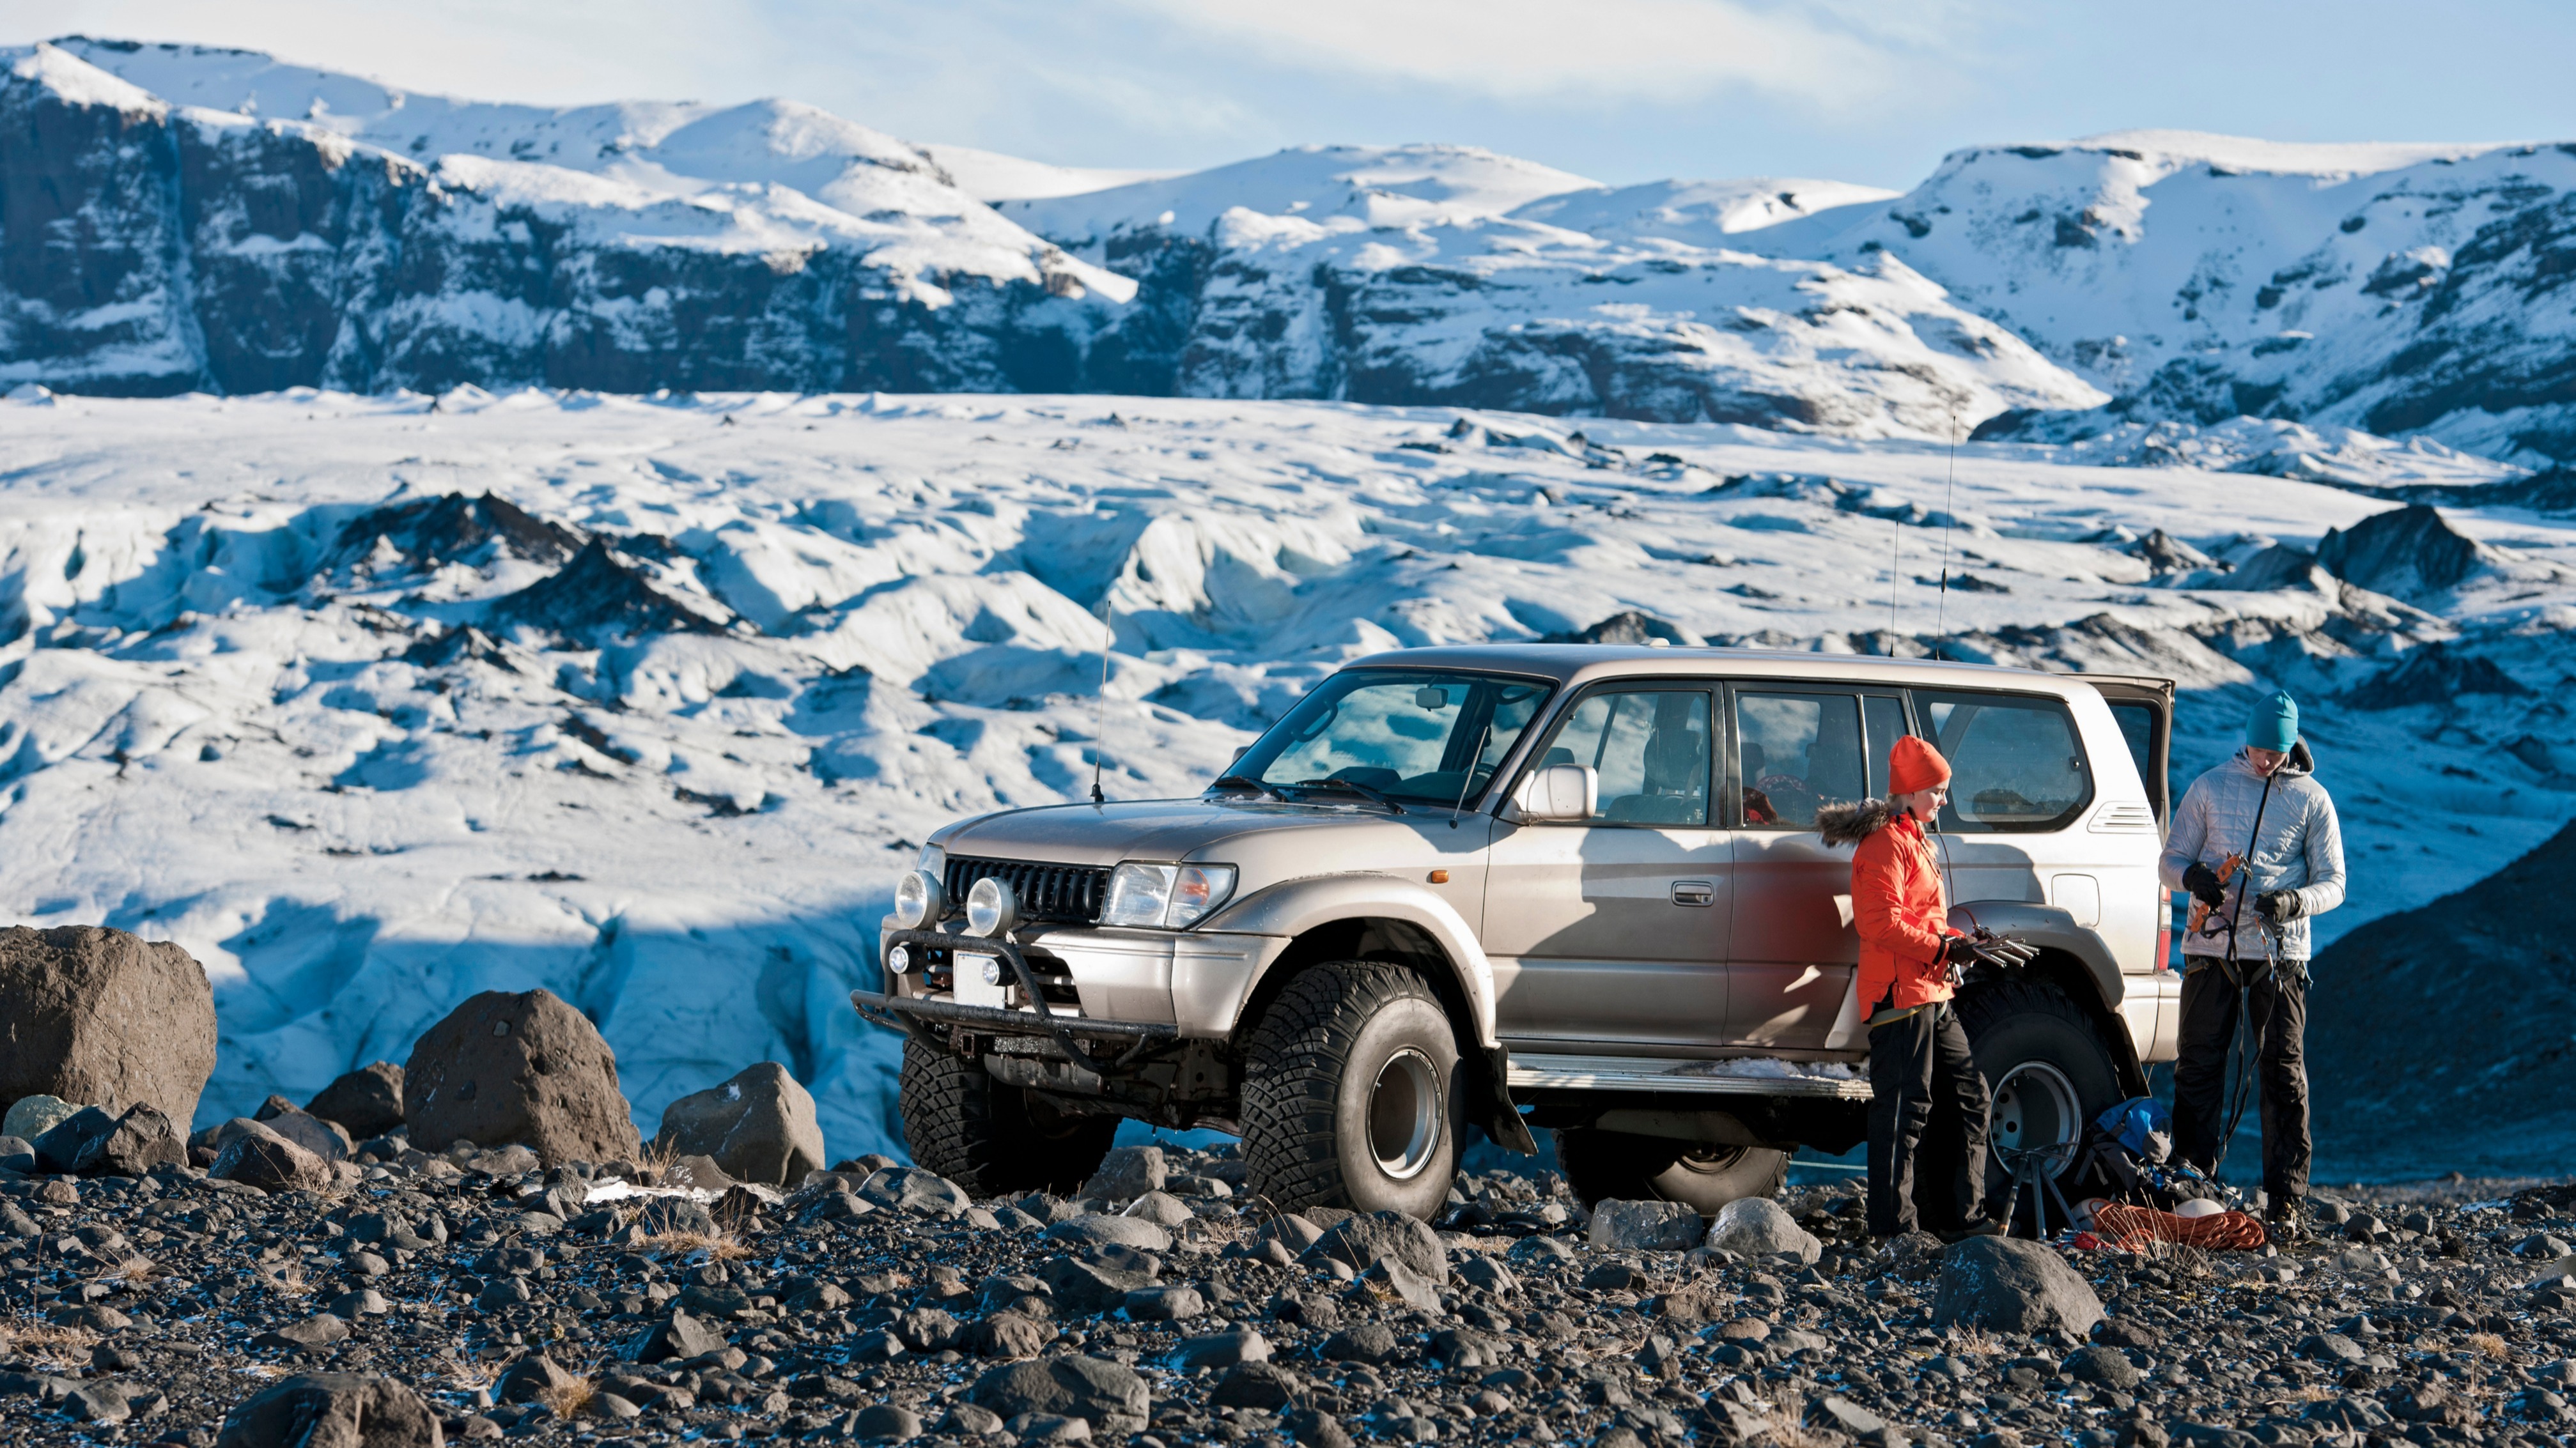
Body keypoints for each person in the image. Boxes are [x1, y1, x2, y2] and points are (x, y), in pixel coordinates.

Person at [2160, 689, 2345, 1239]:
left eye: (2275, 751)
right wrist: (2192, 878)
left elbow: (2334, 883)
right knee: (2198, 1064)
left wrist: (2295, 901)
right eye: (2258, 748)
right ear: (2246, 739)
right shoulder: (2210, 787)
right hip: (2210, 946)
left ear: (2291, 746)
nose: (2265, 760)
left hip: (2279, 952)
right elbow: (2169, 860)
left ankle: (2286, 1201)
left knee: (2282, 1071)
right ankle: (2191, 1188)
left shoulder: (2313, 800)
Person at [1823, 735, 2000, 1241]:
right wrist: (1946, 950)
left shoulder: (1912, 838)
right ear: (1912, 790)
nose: (1944, 800)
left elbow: (1922, 918)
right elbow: (1880, 925)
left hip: (1932, 991)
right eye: (1939, 791)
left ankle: (1966, 1220)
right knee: (1904, 1111)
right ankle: (1892, 1231)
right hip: (1901, 996)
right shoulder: (1883, 845)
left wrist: (1961, 941)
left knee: (1970, 1097)